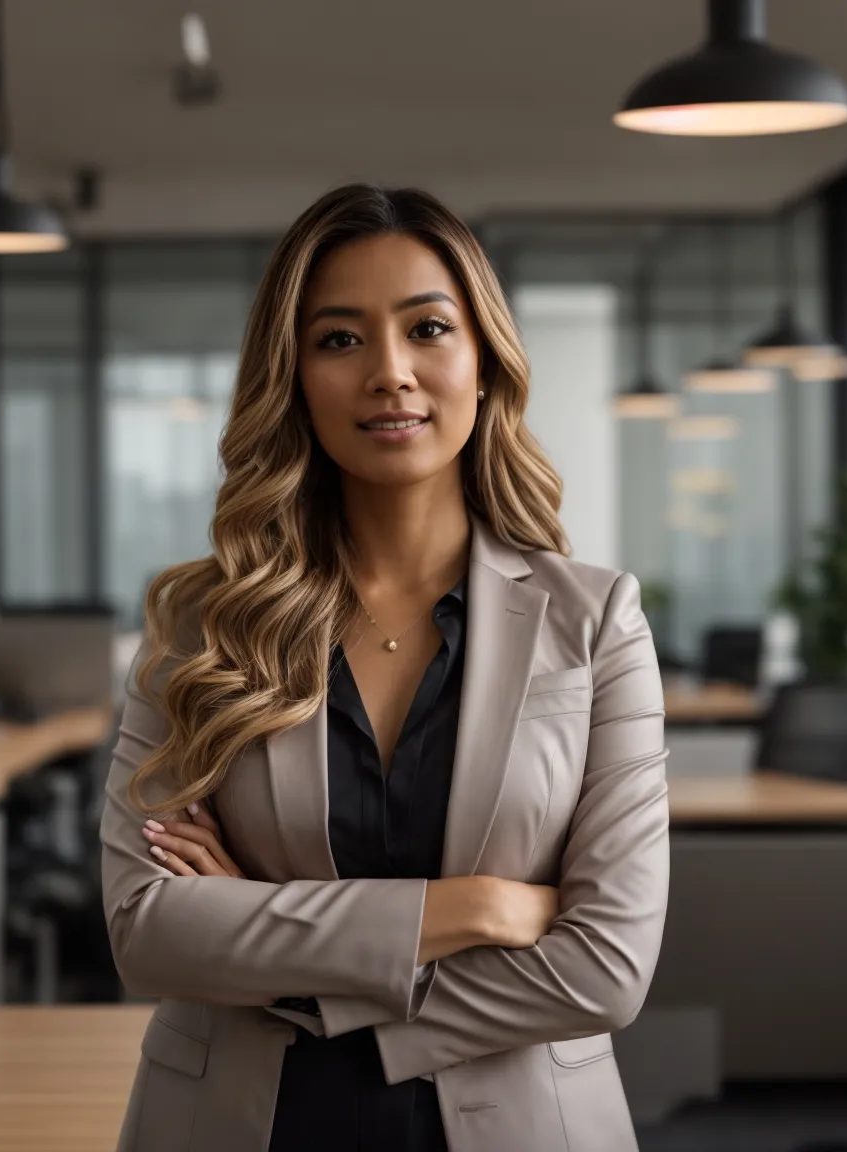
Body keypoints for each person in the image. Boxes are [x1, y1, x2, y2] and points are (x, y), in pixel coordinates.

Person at [100, 184, 670, 1152]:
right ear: (292, 378)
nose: (390, 373)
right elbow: (148, 929)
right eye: (338, 340)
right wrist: (473, 910)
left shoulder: (592, 620)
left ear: (482, 363)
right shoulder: (201, 622)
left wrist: (268, 940)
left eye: (427, 329)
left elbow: (605, 968)